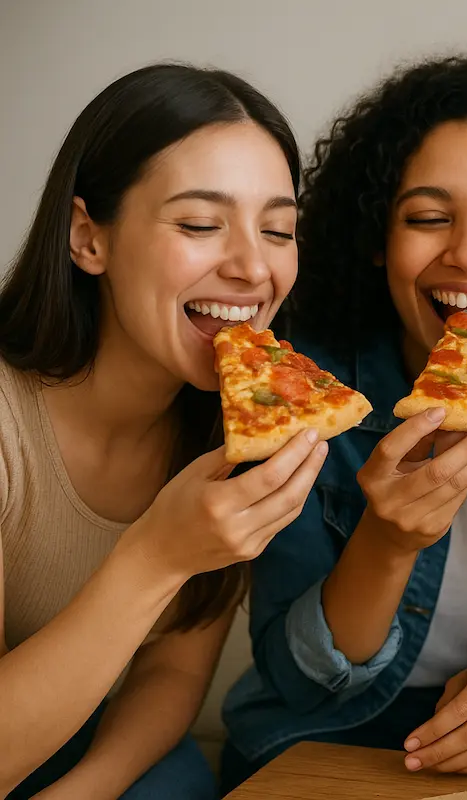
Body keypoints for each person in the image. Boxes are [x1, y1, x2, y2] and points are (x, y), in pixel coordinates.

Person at [219, 55, 467, 789]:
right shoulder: (296, 395)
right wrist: (388, 540)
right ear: (377, 239)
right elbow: (294, 673)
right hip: (317, 737)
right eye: (429, 218)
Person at [0, 64, 323, 799]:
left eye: (278, 229)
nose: (251, 267)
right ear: (88, 239)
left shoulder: (233, 423)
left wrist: (82, 793)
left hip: (85, 747)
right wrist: (155, 555)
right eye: (201, 224)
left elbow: (174, 669)